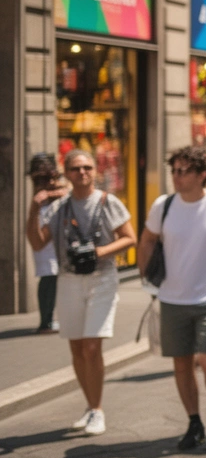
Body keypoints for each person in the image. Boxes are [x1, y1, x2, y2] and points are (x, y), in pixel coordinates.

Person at [139, 146, 206, 450]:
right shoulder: (164, 205)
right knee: (182, 364)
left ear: (202, 174)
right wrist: (146, 274)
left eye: (183, 170)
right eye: (173, 170)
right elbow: (147, 239)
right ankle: (194, 421)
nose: (176, 176)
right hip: (172, 298)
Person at [27, 150, 136, 436]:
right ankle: (89, 407)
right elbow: (38, 243)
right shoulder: (59, 206)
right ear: (67, 172)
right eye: (76, 168)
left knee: (91, 346)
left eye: (87, 167)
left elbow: (130, 237)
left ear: (95, 171)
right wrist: (34, 208)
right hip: (69, 279)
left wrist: (99, 251)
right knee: (76, 348)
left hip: (102, 278)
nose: (83, 173)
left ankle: (97, 410)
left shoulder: (107, 201)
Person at [25, 153, 69, 335]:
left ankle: (48, 320)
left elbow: (66, 192)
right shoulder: (42, 187)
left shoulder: (55, 185)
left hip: (52, 234)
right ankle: (46, 322)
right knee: (48, 279)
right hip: (44, 232)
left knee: (52, 279)